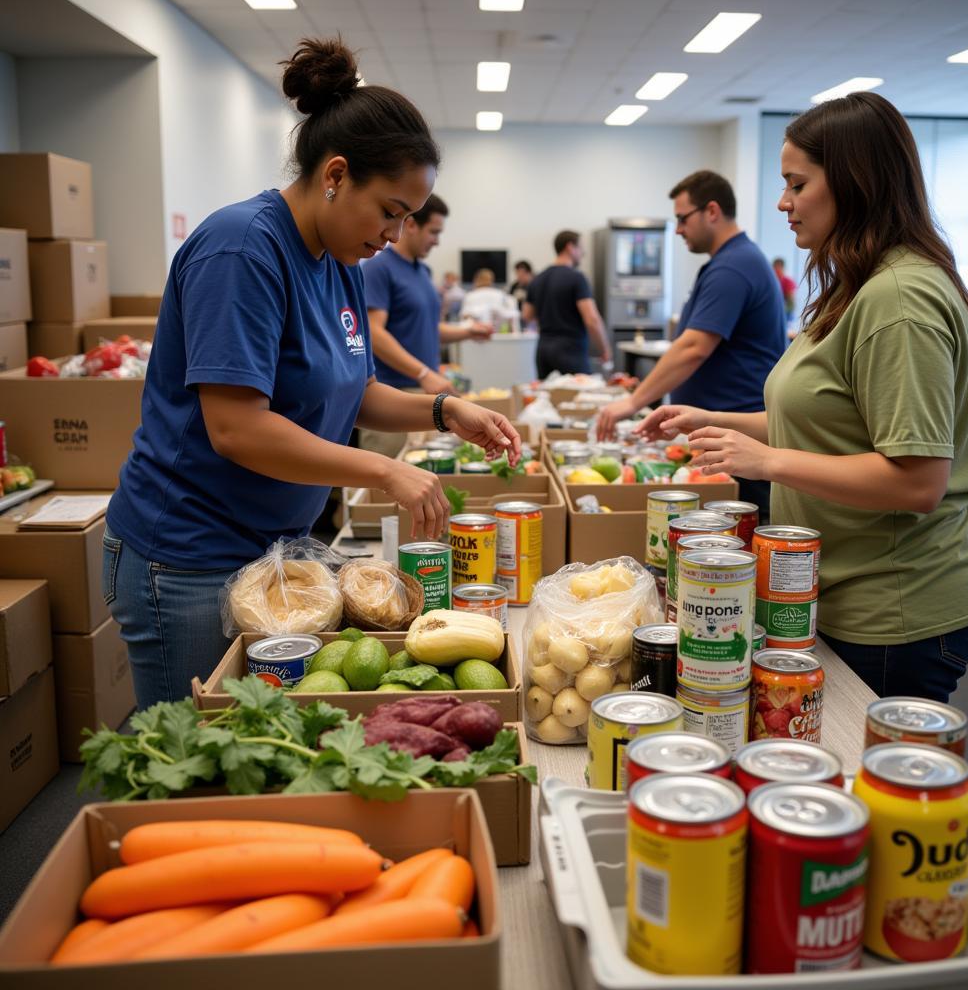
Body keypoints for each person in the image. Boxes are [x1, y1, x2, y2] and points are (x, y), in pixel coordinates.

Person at [103, 37, 520, 710]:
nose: (394, 233)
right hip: (187, 555)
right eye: (389, 210)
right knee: (190, 758)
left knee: (253, 746)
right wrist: (383, 470)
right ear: (334, 175)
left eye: (407, 219)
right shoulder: (242, 249)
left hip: (270, 554)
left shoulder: (340, 262)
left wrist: (443, 412)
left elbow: (352, 392)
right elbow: (238, 428)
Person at [636, 92, 968, 703]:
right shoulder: (859, 285)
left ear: (854, 182)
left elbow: (917, 481)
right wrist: (717, 419)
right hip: (835, 590)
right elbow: (828, 426)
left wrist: (767, 462)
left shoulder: (899, 300)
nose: (783, 202)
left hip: (894, 609)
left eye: (797, 184)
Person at [595, 171, 786, 513]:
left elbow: (694, 346)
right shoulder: (729, 263)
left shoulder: (734, 266)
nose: (679, 229)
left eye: (683, 218)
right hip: (724, 434)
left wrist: (633, 402)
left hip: (739, 437)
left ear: (712, 211)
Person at [360, 193, 492, 455]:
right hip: (392, 394)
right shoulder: (379, 268)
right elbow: (373, 331)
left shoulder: (423, 272)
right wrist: (423, 373)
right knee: (383, 484)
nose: (437, 241)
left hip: (425, 392)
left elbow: (427, 327)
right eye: (433, 232)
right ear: (410, 225)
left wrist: (467, 332)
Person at [523, 230, 611, 378]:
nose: (583, 253)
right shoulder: (577, 278)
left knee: (546, 398)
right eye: (581, 248)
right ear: (570, 247)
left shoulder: (538, 279)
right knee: (579, 397)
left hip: (543, 350)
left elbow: (527, 315)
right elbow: (592, 319)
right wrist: (605, 349)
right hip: (570, 350)